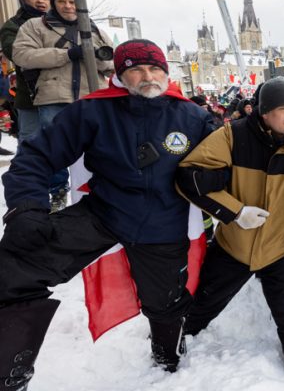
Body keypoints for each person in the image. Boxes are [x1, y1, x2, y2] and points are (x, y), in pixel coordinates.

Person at [0, 40, 214, 389]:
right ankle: (10, 372)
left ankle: (168, 355)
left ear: (166, 72)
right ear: (119, 74)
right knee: (13, 268)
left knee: (165, 303)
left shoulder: (193, 116)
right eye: (136, 69)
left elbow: (232, 163)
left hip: (164, 222)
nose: (148, 76)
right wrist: (27, 206)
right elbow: (36, 156)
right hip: (105, 213)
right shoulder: (92, 111)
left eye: (155, 68)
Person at [176, 77, 284, 389]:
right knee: (205, 301)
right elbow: (190, 174)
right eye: (282, 109)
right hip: (233, 246)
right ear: (263, 112)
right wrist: (235, 212)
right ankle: (178, 339)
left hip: (281, 249)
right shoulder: (232, 136)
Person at [12, 0, 113, 212]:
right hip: (53, 97)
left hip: (92, 96)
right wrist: (65, 54)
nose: (68, 6)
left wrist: (92, 56)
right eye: (62, 1)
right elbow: (22, 55)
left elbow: (111, 63)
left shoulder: (94, 29)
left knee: (97, 146)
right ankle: (57, 190)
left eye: (72, 1)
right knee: (55, 148)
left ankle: (98, 188)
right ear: (54, 3)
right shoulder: (35, 26)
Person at [0, 0, 50, 144]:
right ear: (23, 0)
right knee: (31, 146)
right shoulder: (13, 25)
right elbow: (19, 54)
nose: (40, 1)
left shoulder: (60, 24)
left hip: (65, 95)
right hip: (30, 97)